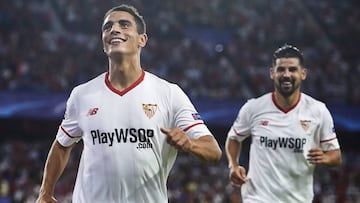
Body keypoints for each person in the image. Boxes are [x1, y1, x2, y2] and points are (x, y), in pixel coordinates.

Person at [36, 4, 222, 203]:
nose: (114, 30)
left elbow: (213, 151)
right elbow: (62, 145)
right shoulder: (82, 95)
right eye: (108, 27)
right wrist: (45, 192)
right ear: (103, 41)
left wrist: (191, 143)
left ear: (142, 39)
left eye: (124, 25)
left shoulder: (169, 94)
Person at [225, 44, 342, 202]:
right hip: (257, 198)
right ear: (272, 73)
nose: (286, 74)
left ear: (303, 74)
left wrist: (325, 158)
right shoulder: (253, 108)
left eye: (292, 70)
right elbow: (233, 138)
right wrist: (233, 165)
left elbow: (335, 154)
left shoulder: (318, 111)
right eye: (281, 70)